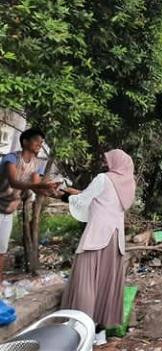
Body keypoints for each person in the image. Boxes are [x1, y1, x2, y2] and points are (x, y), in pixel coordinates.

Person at [61, 149, 136, 346]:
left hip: (97, 236)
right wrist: (77, 193)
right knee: (105, 285)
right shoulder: (129, 183)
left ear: (115, 162)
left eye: (107, 160)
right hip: (115, 239)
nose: (105, 162)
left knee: (85, 281)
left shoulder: (103, 178)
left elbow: (85, 200)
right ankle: (100, 334)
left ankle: (80, 330)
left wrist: (64, 196)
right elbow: (103, 200)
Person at [0, 128, 59, 281]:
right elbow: (14, 182)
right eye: (37, 140)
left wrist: (53, 190)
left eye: (41, 142)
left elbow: (36, 185)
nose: (40, 144)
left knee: (2, 250)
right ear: (25, 142)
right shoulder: (11, 159)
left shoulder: (36, 164)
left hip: (7, 211)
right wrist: (40, 186)